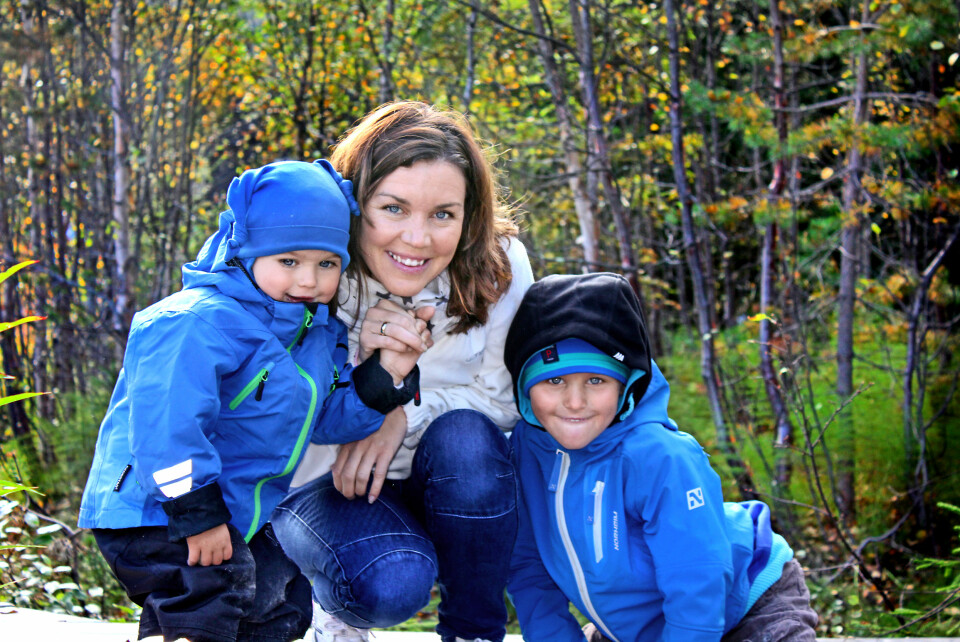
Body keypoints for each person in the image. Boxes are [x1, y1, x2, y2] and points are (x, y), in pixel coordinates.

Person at [78, 159, 424, 642]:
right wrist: (198, 515)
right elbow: (166, 428)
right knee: (207, 604)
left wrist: (385, 376)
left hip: (238, 513)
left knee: (276, 603)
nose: (308, 281)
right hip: (159, 509)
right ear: (246, 250)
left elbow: (322, 421)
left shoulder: (314, 334)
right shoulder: (194, 323)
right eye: (289, 261)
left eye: (326, 264)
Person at [273, 101, 534, 642]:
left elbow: (508, 402)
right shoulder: (309, 262)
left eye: (443, 214)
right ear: (355, 202)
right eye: (394, 208)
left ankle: (472, 633)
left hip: (446, 477)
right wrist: (362, 370)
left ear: (469, 216)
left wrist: (396, 413)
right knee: (389, 585)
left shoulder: (499, 263)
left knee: (470, 441)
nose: (418, 239)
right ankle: (336, 608)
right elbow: (278, 405)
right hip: (328, 483)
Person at [503, 272, 820, 642]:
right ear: (525, 387)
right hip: (642, 628)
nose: (575, 402)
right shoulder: (525, 452)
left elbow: (697, 576)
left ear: (627, 383)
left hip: (748, 603)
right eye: (554, 381)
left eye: (596, 381)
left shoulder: (658, 455)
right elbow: (527, 566)